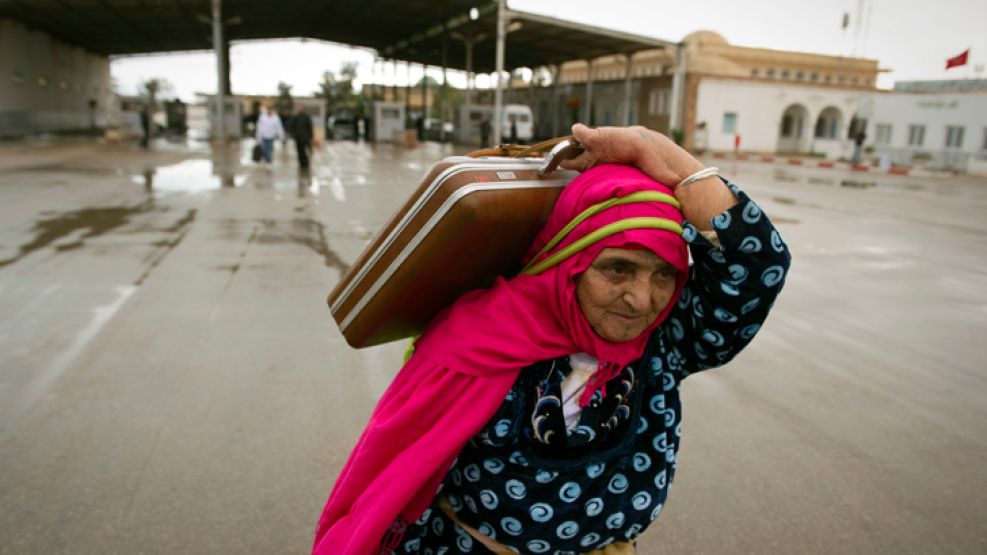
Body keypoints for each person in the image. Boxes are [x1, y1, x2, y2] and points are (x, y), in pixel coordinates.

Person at [312, 124, 792, 554]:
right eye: (617, 269)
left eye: (664, 274)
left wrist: (655, 149)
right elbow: (399, 481)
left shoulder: (663, 345)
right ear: (568, 260)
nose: (641, 300)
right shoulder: (476, 341)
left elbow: (755, 267)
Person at [293, 104, 314, 171]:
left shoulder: (307, 117)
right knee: (299, 152)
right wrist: (294, 134)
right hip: (298, 137)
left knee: (305, 152)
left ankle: (306, 164)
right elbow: (292, 125)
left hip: (305, 138)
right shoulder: (296, 116)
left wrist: (311, 137)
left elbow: (310, 127)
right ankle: (301, 165)